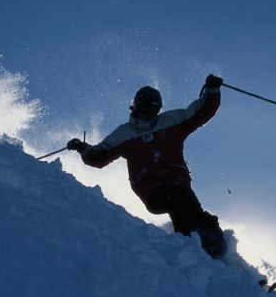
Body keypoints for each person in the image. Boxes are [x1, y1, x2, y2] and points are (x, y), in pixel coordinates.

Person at [67, 74, 227, 258]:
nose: (147, 114)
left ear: (158, 109)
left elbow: (202, 111)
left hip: (179, 184)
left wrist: (213, 90)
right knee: (179, 200)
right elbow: (99, 158)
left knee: (192, 209)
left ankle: (219, 252)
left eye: (152, 110)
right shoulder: (124, 134)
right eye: (142, 108)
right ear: (134, 106)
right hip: (152, 190)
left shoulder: (172, 122)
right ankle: (193, 248)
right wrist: (83, 148)